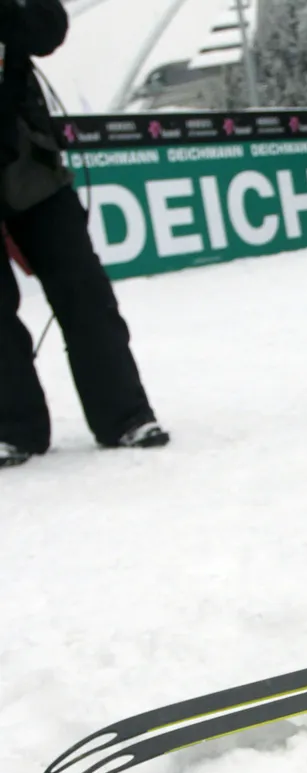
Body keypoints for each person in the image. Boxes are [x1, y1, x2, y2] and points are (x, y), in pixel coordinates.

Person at [1, 0, 168, 469]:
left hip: (32, 170)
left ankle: (124, 416)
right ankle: (13, 429)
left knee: (85, 294)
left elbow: (48, 30)